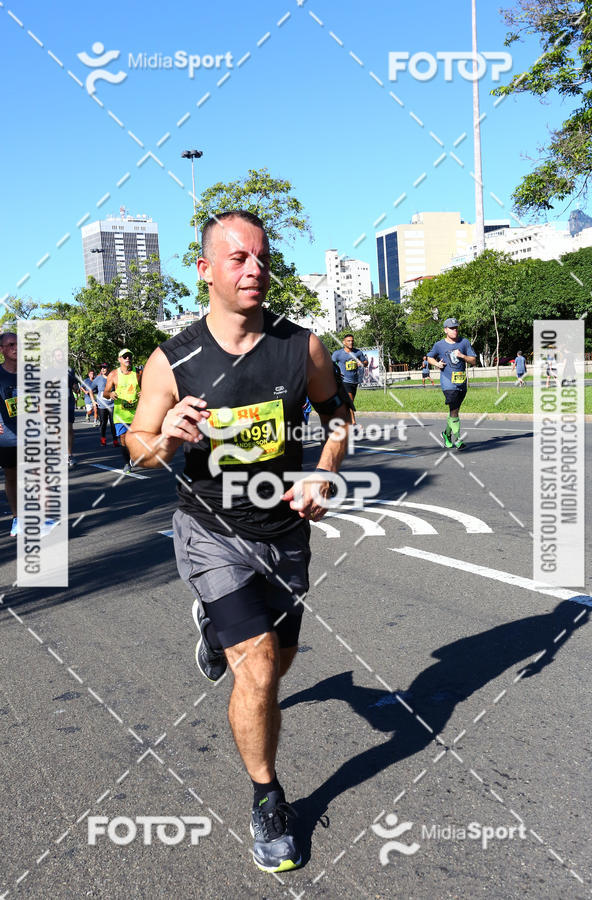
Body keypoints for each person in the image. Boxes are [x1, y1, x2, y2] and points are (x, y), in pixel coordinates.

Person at [125, 210, 350, 874]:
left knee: (279, 664)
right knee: (254, 669)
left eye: (261, 258)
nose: (255, 270)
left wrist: (323, 471)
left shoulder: (300, 346)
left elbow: (338, 411)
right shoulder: (174, 359)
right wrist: (165, 437)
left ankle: (211, 629)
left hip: (284, 530)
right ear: (205, 270)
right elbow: (138, 447)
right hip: (211, 530)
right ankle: (267, 798)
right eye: (237, 259)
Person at [428, 317, 476, 451]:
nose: (455, 330)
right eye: (452, 328)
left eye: (456, 328)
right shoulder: (439, 345)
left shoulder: (464, 342)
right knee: (454, 409)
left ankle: (446, 434)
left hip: (461, 381)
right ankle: (458, 440)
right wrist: (437, 363)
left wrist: (462, 356)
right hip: (447, 382)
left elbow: (473, 361)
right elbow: (429, 357)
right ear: (445, 330)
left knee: (454, 411)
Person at [104, 350, 141, 473]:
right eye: (125, 356)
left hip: (136, 413)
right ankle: (127, 463)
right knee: (124, 439)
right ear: (119, 359)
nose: (127, 358)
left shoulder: (138, 373)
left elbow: (146, 387)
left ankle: (134, 456)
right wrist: (110, 393)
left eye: (129, 356)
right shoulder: (113, 375)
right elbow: (105, 393)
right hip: (120, 414)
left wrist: (143, 392)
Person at [0, 332, 18, 535]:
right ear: (2, 350)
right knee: (12, 477)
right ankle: (17, 518)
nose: (16, 348)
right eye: (11, 344)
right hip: (7, 437)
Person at [331, 334, 367, 425]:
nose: (351, 342)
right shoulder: (338, 353)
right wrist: (336, 373)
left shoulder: (357, 352)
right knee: (350, 402)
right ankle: (353, 423)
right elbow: (330, 364)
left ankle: (339, 419)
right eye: (349, 341)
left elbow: (366, 362)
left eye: (352, 341)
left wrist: (362, 363)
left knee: (348, 403)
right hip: (343, 381)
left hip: (354, 381)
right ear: (344, 342)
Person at [91, 363, 118, 447]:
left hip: (112, 404)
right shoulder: (98, 379)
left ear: (108, 368)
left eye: (104, 367)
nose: (102, 369)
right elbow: (90, 389)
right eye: (101, 368)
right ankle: (103, 440)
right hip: (102, 406)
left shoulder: (113, 378)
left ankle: (115, 441)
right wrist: (93, 401)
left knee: (114, 423)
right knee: (103, 423)